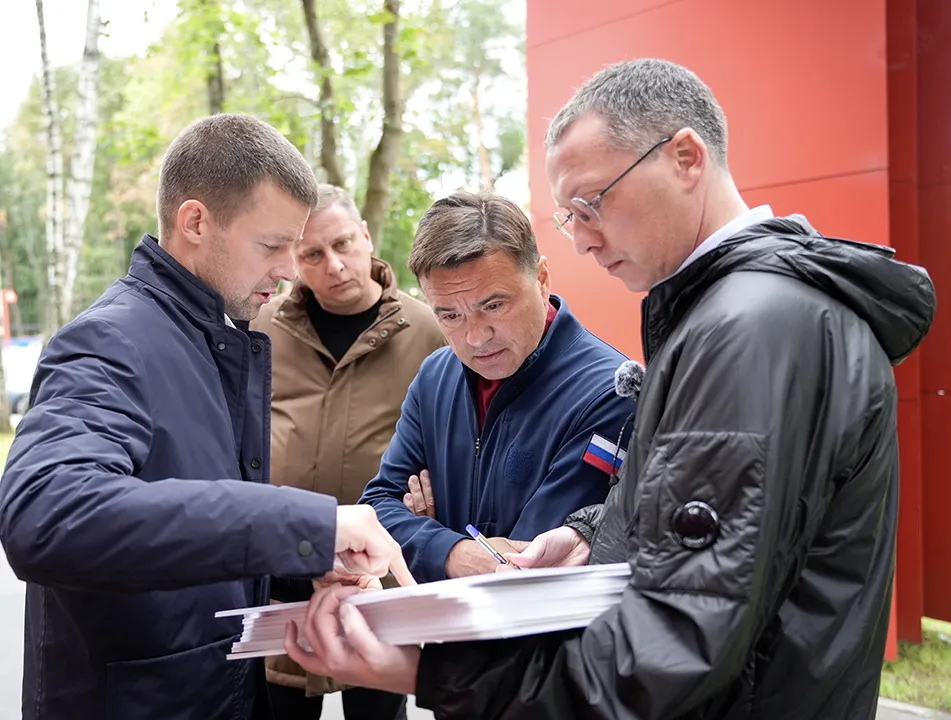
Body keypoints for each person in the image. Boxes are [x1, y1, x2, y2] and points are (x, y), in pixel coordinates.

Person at [280, 59, 937, 720]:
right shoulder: (740, 318)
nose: (586, 240)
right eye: (571, 217)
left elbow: (677, 641)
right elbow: (713, 538)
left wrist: (425, 671)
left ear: (685, 158)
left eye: (593, 203)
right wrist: (594, 531)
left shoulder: (751, 331)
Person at [0, 114, 412, 720]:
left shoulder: (216, 339)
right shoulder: (109, 342)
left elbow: (192, 536)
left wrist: (301, 568)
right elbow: (47, 513)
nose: (289, 271)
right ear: (195, 222)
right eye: (272, 246)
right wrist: (310, 524)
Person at [358, 191, 636, 583]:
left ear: (541, 279)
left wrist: (423, 538)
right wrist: (451, 551)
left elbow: (529, 567)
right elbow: (375, 512)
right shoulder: (435, 375)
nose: (475, 337)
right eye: (450, 316)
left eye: (493, 305)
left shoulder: (611, 392)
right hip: (447, 622)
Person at [250, 184, 445, 720]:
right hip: (284, 572)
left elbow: (454, 435)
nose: (333, 266)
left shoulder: (426, 329)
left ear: (365, 236)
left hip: (376, 576)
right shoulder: (263, 327)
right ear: (294, 258)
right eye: (312, 254)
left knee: (377, 710)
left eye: (342, 244)